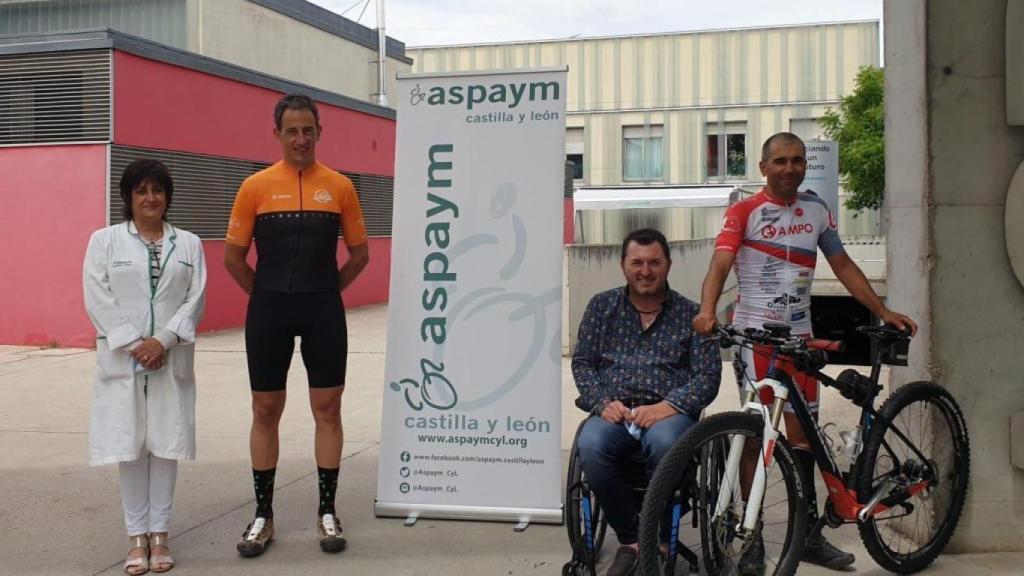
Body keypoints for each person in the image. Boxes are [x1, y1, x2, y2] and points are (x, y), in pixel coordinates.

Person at [693, 132, 917, 573]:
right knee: (756, 435)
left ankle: (808, 533)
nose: (790, 168)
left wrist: (882, 309)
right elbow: (719, 264)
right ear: (763, 167)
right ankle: (751, 537)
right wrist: (706, 310)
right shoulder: (743, 212)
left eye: (797, 160)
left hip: (801, 337)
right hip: (756, 338)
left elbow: (843, 264)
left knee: (803, 439)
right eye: (780, 161)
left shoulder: (815, 209)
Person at [224, 93, 369, 557]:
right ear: (278, 134)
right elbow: (233, 257)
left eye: (309, 130)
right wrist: (266, 296)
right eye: (292, 131)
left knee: (328, 408)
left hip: (322, 308)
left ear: (319, 132)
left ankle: (327, 513)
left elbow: (360, 253)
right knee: (265, 410)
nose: (301, 138)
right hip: (269, 309)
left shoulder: (341, 186)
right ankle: (263, 516)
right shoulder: (255, 187)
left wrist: (328, 290)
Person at [572, 228, 721, 576]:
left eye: (654, 262)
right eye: (637, 262)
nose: (646, 270)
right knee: (591, 444)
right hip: (615, 411)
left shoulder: (693, 314)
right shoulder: (601, 306)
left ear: (668, 264)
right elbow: (582, 363)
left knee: (667, 442)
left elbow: (708, 377)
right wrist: (601, 402)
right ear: (623, 265)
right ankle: (635, 540)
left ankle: (660, 539)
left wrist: (668, 406)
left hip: (667, 412)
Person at [84, 159, 207, 575]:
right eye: (141, 191)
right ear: (128, 197)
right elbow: (97, 296)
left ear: (168, 196)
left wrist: (165, 340)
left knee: (165, 445)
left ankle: (161, 535)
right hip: (124, 358)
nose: (150, 198)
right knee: (131, 446)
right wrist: (136, 343)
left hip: (170, 358)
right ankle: (137, 538)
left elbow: (196, 297)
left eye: (157, 190)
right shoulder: (104, 241)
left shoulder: (188, 244)